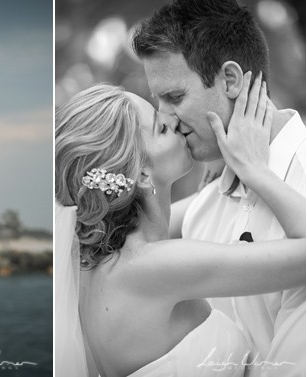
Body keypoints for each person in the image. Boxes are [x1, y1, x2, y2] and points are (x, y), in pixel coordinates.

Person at [54, 79, 304, 375]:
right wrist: (254, 170)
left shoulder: (95, 265)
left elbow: (193, 209)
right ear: (143, 174)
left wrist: (225, 166)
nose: (174, 121)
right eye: (161, 128)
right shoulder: (158, 266)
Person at [133, 0, 305, 375]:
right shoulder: (204, 206)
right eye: (157, 101)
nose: (165, 119)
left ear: (230, 80)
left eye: (175, 97)